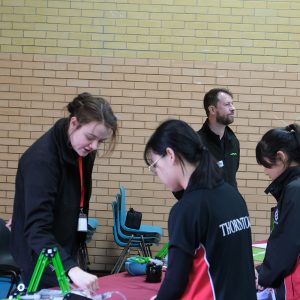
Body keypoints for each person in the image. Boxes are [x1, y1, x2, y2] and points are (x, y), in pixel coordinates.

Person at [10, 92, 118, 293]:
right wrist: (71, 268)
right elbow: (37, 230)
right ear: (74, 123)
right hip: (39, 255)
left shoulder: (80, 150)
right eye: (90, 137)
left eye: (100, 142)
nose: (94, 146)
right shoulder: (41, 161)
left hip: (62, 244)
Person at [144, 119, 256, 300]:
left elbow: (174, 283)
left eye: (155, 165)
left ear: (170, 155)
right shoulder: (233, 195)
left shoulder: (187, 209)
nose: (157, 174)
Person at [255, 123, 300, 300]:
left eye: (265, 164)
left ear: (280, 157)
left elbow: (287, 242)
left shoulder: (295, 190)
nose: (265, 171)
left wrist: (265, 275)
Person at [198, 88, 240, 188]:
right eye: (227, 104)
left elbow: (231, 177)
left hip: (229, 202)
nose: (233, 108)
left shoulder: (233, 141)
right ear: (212, 109)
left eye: (232, 103)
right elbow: (180, 184)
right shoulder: (196, 143)